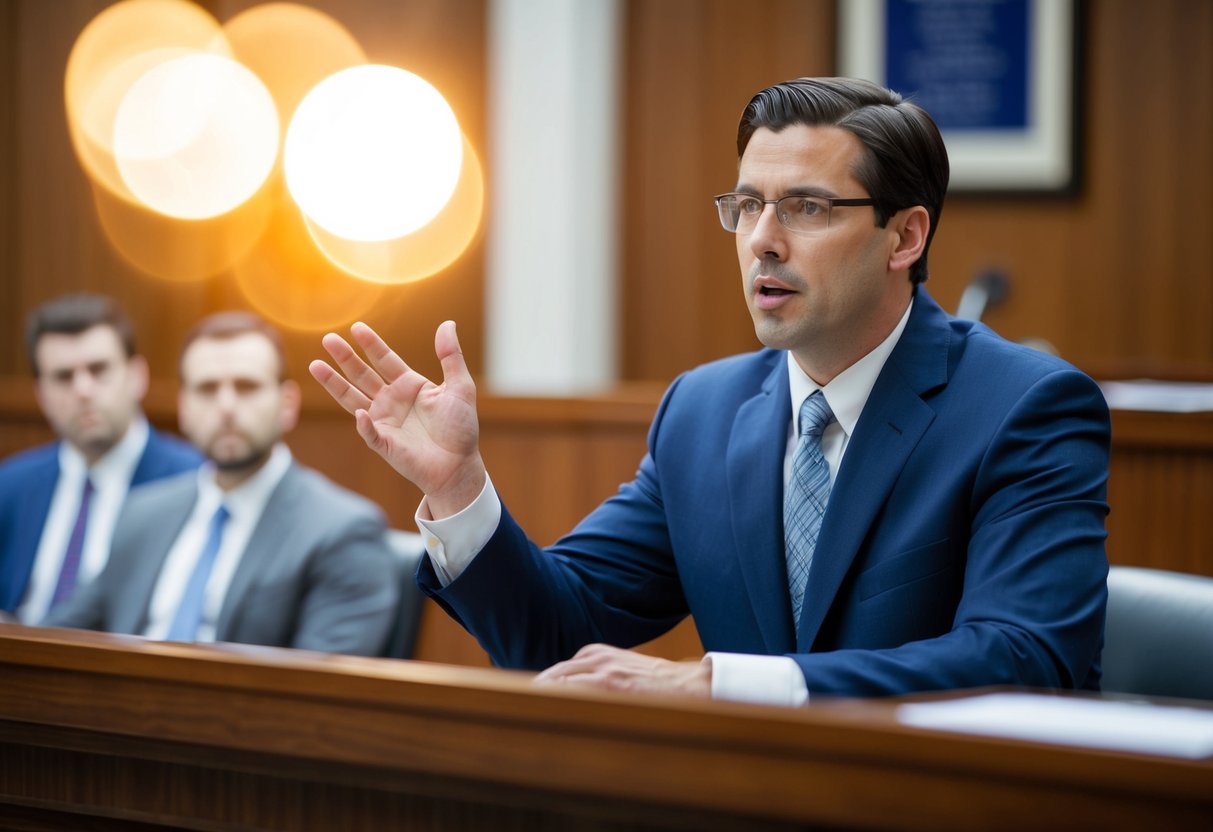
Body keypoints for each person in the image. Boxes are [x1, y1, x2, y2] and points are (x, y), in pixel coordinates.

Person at [310, 77, 1111, 703]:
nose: (761, 238)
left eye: (805, 206)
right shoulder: (702, 411)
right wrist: (457, 488)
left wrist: (724, 684)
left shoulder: (1026, 407)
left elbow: (1026, 655)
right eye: (747, 205)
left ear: (904, 235)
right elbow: (555, 633)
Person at [47, 311, 400, 656]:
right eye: (207, 389)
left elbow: (318, 695)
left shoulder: (341, 530)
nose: (227, 406)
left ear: (287, 405)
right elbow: (57, 642)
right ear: (183, 407)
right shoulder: (143, 513)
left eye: (246, 386)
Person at [0, 294, 201, 624]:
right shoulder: (10, 485)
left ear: (137, 376)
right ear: (41, 394)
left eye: (98, 369)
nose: (83, 389)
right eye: (63, 376)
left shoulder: (192, 482)